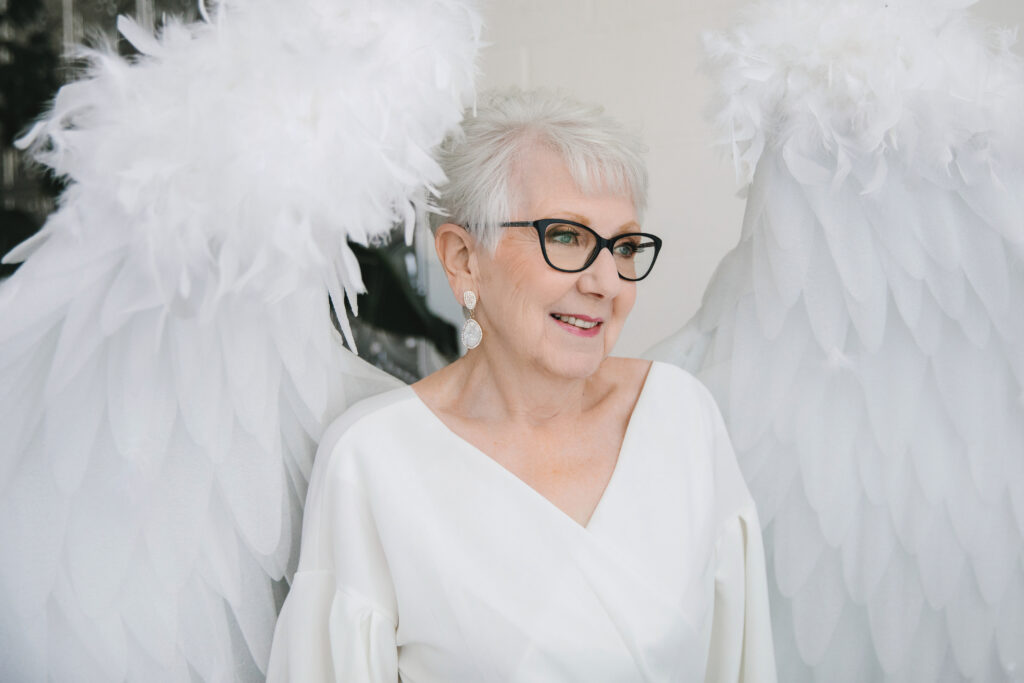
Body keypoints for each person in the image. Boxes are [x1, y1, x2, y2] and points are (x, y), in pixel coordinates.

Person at [266, 89, 776, 682]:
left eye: (626, 246)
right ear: (462, 258)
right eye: (566, 236)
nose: (608, 281)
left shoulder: (682, 418)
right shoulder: (370, 461)